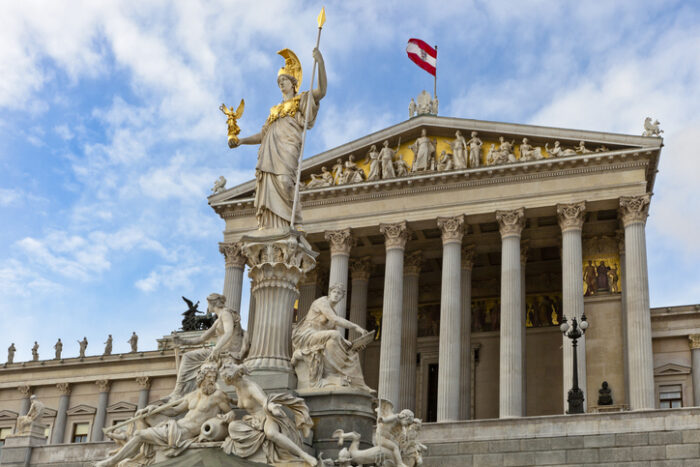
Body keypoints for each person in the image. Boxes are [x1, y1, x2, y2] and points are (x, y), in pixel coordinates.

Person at [230, 47, 327, 230]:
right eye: (279, 82)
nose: (281, 84)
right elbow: (263, 135)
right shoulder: (274, 110)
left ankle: (294, 222)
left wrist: (320, 63)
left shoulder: (301, 100)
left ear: (293, 83)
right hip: (269, 153)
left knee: (285, 182)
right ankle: (271, 226)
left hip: (288, 147)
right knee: (269, 187)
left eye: (284, 80)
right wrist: (241, 141)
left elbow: (321, 91)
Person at [95, 364, 233, 467]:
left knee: (139, 435)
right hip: (176, 425)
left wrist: (227, 418)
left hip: (183, 433)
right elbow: (174, 411)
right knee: (143, 415)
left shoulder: (218, 396)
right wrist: (155, 408)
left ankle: (113, 461)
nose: (212, 380)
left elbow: (230, 413)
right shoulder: (192, 396)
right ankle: (143, 453)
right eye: (209, 377)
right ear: (202, 378)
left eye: (214, 378)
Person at [220, 363, 317, 466]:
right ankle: (255, 448)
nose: (222, 381)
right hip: (253, 420)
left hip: (266, 416)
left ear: (229, 379)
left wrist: (272, 408)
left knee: (271, 433)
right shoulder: (238, 387)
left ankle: (305, 456)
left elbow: (264, 401)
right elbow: (244, 402)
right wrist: (231, 400)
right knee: (232, 426)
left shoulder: (251, 387)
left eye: (223, 378)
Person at [291, 284, 372, 392]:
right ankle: (332, 376)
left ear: (342, 297)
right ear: (330, 293)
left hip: (319, 337)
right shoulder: (321, 302)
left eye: (339, 293)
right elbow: (335, 321)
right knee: (336, 336)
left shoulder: (333, 312)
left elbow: (336, 336)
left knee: (351, 352)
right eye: (334, 292)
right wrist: (356, 327)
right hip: (307, 335)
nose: (336, 295)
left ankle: (357, 383)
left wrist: (353, 345)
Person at [169, 293, 249, 400]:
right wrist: (182, 341)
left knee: (188, 357)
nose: (207, 307)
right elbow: (202, 338)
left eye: (208, 304)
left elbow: (228, 332)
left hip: (227, 352)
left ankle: (179, 392)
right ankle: (179, 391)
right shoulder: (218, 320)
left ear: (212, 303)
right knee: (188, 356)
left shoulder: (226, 314)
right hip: (219, 351)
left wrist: (216, 349)